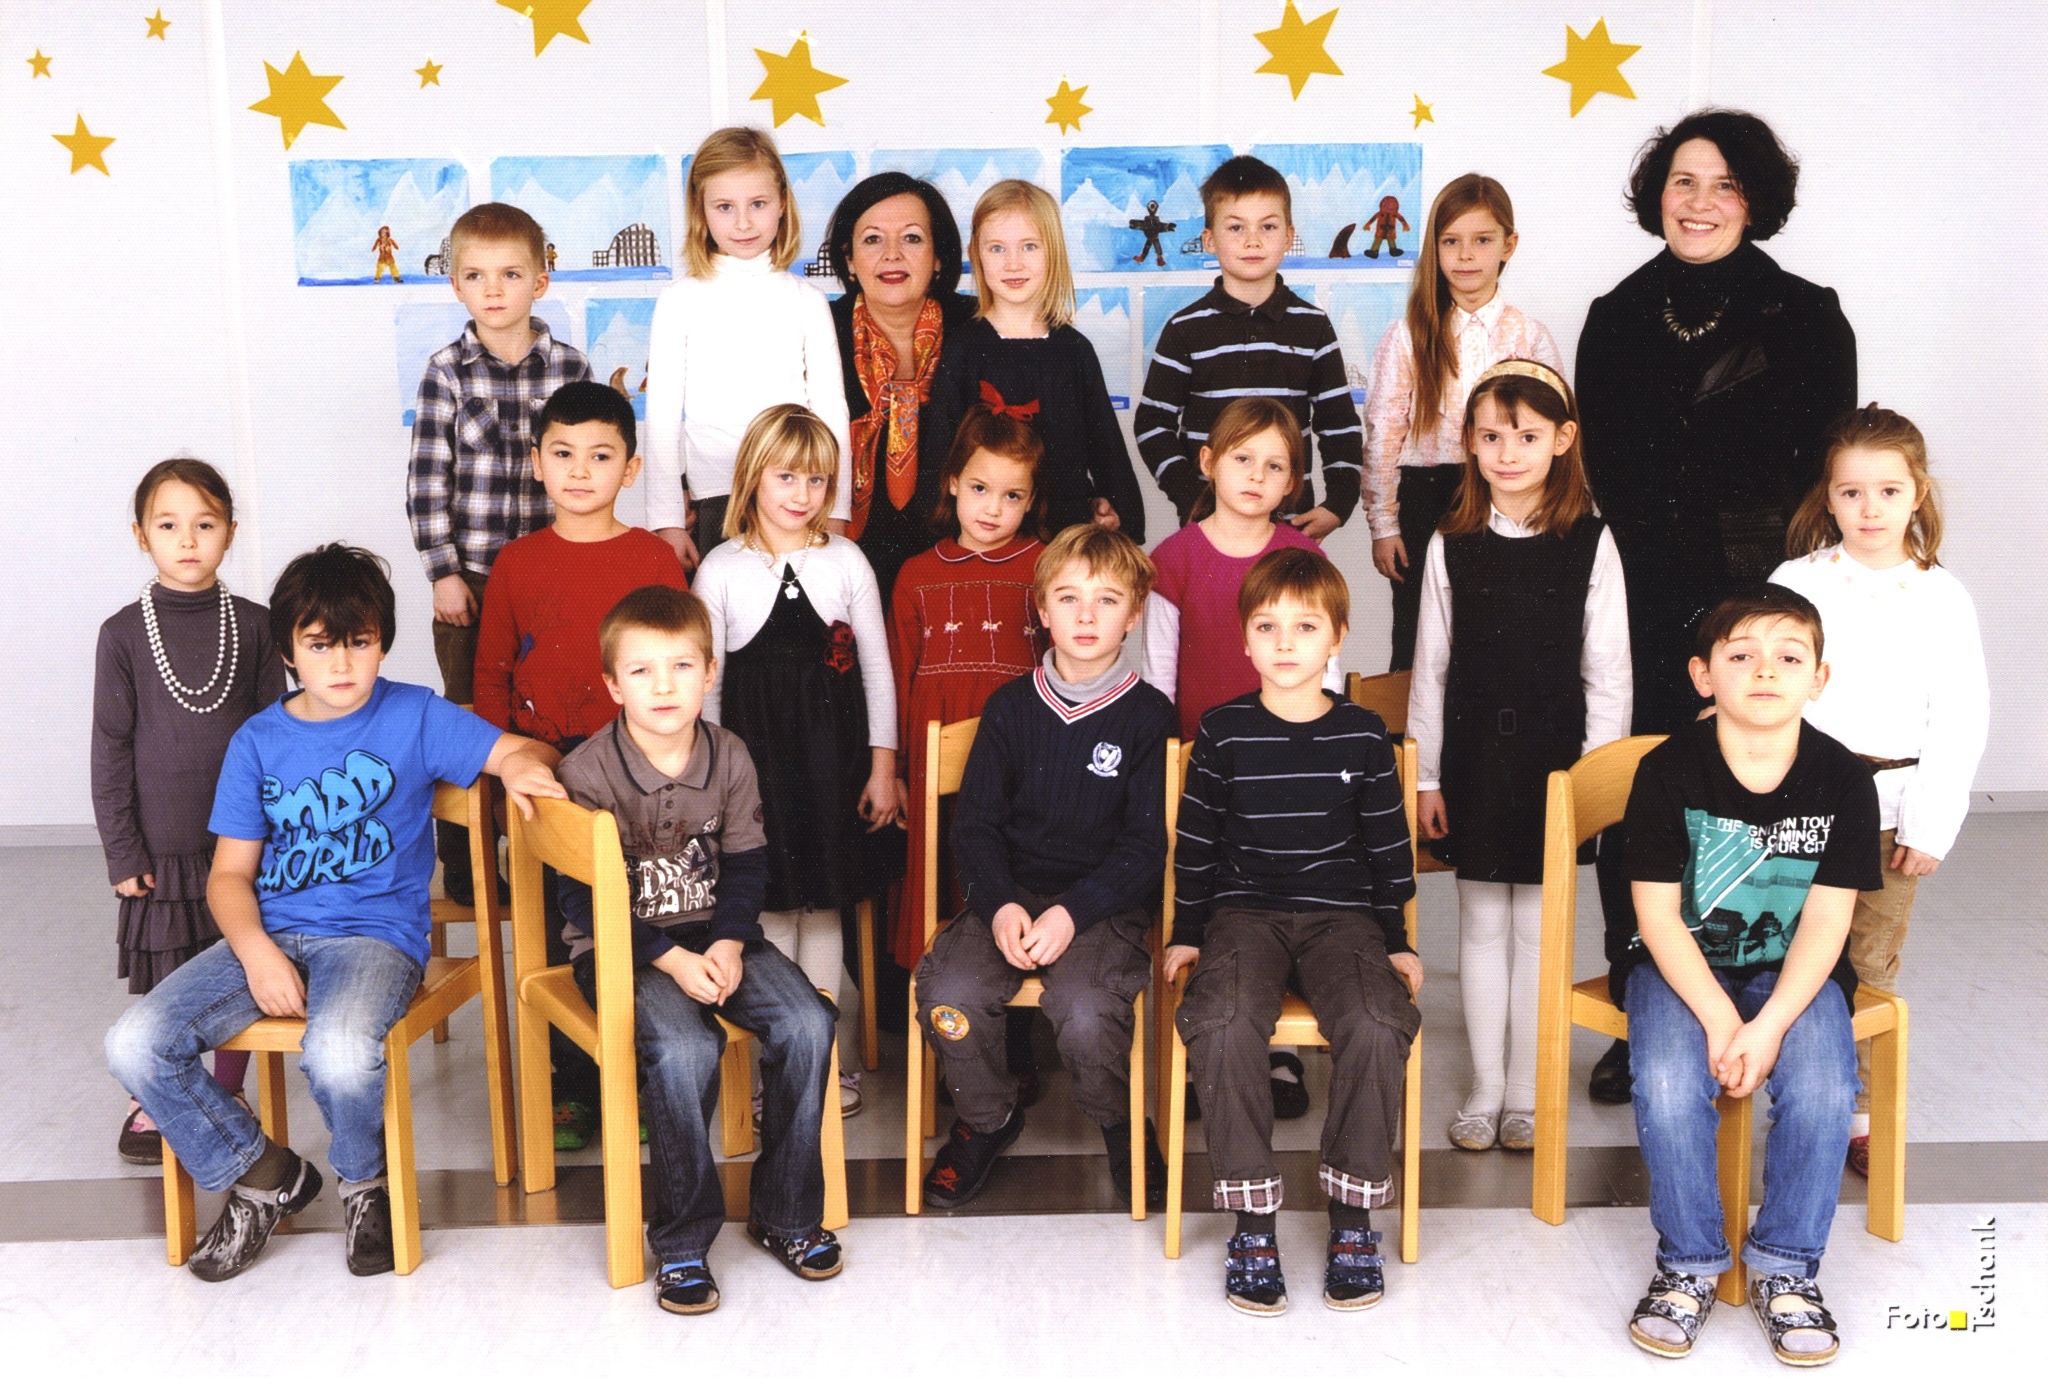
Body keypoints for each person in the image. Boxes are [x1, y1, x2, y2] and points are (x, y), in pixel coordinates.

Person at [104, 544, 564, 1282]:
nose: (343, 663)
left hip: (375, 940)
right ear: (289, 651)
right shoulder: (258, 741)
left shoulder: (414, 714)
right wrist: (258, 952)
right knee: (134, 1043)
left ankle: (362, 1180)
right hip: (273, 933)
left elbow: (522, 749)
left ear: (382, 642)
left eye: (360, 642)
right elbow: (229, 877)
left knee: (340, 1050)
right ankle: (264, 1174)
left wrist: (518, 766)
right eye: (320, 645)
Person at [1576, 110, 1856, 1104]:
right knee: (1641, 792)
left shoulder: (1808, 315)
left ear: (1755, 200)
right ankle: (1640, 1001)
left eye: (1724, 184)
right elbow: (1605, 468)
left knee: (1763, 791)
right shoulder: (1615, 314)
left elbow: (1822, 479)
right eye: (1683, 181)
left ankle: (1779, 1005)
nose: (1699, 203)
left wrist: (1757, 598)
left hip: (1763, 597)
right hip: (1646, 591)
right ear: (1657, 194)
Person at [554, 585, 841, 1316]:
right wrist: (673, 960)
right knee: (684, 1049)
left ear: (710, 673)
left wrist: (729, 943)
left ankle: (785, 1214)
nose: (664, 686)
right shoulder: (586, 772)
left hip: (718, 935)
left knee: (808, 1022)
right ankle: (682, 1241)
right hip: (624, 948)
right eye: (642, 671)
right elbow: (585, 900)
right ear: (613, 684)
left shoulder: (730, 754)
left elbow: (747, 863)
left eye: (681, 666)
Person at [1613, 585, 1879, 1365]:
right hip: (1678, 967)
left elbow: (1826, 924)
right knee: (1668, 1082)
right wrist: (1724, 1022)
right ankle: (1689, 1264)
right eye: (1742, 655)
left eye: (1789, 658)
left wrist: (1767, 1027)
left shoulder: (1843, 780)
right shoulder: (1667, 770)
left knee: (1826, 1088)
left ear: (1819, 679)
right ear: (1703, 675)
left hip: (1793, 973)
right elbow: (1659, 917)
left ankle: (1787, 1268)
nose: (1766, 671)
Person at [1164, 547, 1420, 1316]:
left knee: (1377, 1021)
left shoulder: (1364, 735)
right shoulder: (1223, 732)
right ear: (1244, 639)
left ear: (1336, 637)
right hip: (1244, 915)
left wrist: (1397, 938)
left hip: (1345, 921)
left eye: (1305, 627)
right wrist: (1185, 930)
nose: (1285, 643)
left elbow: (1388, 849)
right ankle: (1252, 1223)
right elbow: (1197, 844)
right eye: (1267, 627)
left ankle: (1352, 1216)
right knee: (1222, 1020)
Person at [1405, 361, 1631, 1153]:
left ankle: (1529, 1092)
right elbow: (1430, 668)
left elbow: (1609, 675)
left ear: (1562, 441)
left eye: (1527, 437)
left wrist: (1594, 787)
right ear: (1469, 442)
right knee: (1478, 923)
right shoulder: (1451, 542)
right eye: (1492, 437)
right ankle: (1485, 1087)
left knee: (1537, 928)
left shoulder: (1591, 543)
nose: (1508, 453)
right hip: (1474, 762)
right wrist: (1426, 776)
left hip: (1555, 770)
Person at [920, 525, 1175, 1209]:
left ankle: (1121, 1124)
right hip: (1008, 897)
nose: (1086, 616)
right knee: (948, 997)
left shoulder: (1150, 717)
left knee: (1087, 1013)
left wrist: (1071, 912)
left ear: (1135, 612)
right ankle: (988, 1118)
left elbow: (1144, 848)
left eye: (1106, 600)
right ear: (1040, 609)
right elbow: (975, 828)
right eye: (1068, 598)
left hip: (1099, 907)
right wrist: (1001, 904)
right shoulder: (1009, 708)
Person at [1769, 405, 1987, 1176]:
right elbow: (1765, 686)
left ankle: (1855, 1115)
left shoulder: (1941, 596)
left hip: (1894, 811)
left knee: (1868, 965)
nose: (1870, 509)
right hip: (1798, 806)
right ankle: (1790, 1092)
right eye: (1852, 492)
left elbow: (1960, 716)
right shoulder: (1796, 582)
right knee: (1790, 952)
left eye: (1889, 491)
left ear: (1917, 494)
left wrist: (1932, 824)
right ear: (1827, 497)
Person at [471, 380, 687, 1148]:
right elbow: (491, 677)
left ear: (631, 469)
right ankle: (571, 1084)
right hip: (547, 781)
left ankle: (648, 1073)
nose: (580, 471)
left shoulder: (653, 557)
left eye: (600, 456)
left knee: (645, 922)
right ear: (536, 463)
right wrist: (503, 777)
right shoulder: (517, 563)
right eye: (563, 454)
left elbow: (681, 666)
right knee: (561, 932)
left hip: (641, 777)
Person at [1140, 395, 1341, 1122]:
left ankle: (1278, 1048)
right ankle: (1210, 1044)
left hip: (1288, 770)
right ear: (1208, 462)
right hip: (1203, 770)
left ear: (1293, 484)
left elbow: (1329, 677)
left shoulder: (1304, 558)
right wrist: (1167, 768)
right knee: (1211, 904)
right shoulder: (1175, 559)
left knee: (1280, 899)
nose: (1257, 476)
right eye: (1242, 459)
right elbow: (1159, 680)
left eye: (1275, 466)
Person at [694, 404, 898, 1116]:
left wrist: (882, 767)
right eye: (786, 477)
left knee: (825, 908)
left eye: (817, 480)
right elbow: (709, 688)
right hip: (757, 776)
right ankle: (779, 1063)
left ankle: (827, 1060)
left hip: (832, 770)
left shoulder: (845, 560)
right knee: (773, 911)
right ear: (753, 476)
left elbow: (877, 671)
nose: (802, 494)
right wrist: (714, 786)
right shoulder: (721, 568)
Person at [94, 458, 287, 1164]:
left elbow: (280, 734)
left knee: (236, 962)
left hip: (242, 841)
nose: (187, 540)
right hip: (162, 842)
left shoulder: (257, 625)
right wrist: (123, 852)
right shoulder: (122, 634)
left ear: (230, 532)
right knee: (168, 969)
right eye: (168, 525)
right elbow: (110, 749)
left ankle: (226, 1089)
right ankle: (156, 1092)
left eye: (204, 525)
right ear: (140, 535)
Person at [405, 201, 589, 906]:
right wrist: (443, 572)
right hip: (475, 583)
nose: (493, 289)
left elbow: (585, 468)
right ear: (455, 285)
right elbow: (428, 481)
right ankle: (466, 860)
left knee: (545, 717)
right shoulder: (446, 371)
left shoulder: (570, 366)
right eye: (476, 275)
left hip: (549, 580)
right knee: (469, 723)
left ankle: (547, 857)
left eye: (510, 274)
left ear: (540, 282)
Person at [1362, 174, 1563, 671]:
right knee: (1418, 637)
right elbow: (1383, 434)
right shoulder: (1407, 336)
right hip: (1427, 498)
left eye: (1482, 240)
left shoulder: (1530, 337)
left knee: (1502, 634)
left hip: (1510, 494)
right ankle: (1412, 726)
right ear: (1434, 247)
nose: (1466, 255)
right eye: (1451, 241)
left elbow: (1553, 436)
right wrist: (1384, 525)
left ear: (1508, 245)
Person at [644, 126, 851, 571]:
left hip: (799, 496)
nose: (743, 223)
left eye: (758, 204)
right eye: (725, 207)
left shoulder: (806, 300)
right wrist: (667, 520)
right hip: (717, 498)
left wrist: (837, 508)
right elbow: (662, 417)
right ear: (701, 210)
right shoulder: (679, 300)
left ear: (782, 203)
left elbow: (831, 411)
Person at [886, 402, 1047, 968]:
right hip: (934, 752)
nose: (993, 509)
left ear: (1031, 500)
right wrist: (898, 769)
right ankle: (941, 999)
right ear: (952, 481)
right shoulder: (917, 574)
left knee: (1013, 868)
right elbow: (898, 676)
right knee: (940, 869)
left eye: (1012, 495)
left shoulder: (1045, 567)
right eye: (979, 488)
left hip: (1024, 756)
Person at [1135, 155, 1362, 534]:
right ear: (1209, 239)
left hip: (1289, 528)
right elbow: (1152, 425)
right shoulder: (1184, 330)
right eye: (1236, 227)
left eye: (1267, 226)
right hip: (1210, 528)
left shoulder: (1314, 327)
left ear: (1288, 237)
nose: (1252, 240)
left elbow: (1339, 424)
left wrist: (1339, 503)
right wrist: (1190, 496)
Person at [922, 179, 1146, 542]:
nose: (1013, 263)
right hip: (985, 541)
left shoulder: (1075, 350)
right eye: (997, 248)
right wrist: (942, 536)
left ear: (1052, 251)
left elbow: (1106, 447)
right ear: (976, 253)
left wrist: (1121, 515)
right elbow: (940, 453)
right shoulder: (963, 349)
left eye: (1029, 246)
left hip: (1065, 539)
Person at [825, 171, 981, 602]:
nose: (891, 254)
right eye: (873, 239)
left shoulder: (979, 327)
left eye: (912, 238)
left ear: (938, 257)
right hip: (842, 562)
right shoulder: (816, 330)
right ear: (849, 260)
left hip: (964, 556)